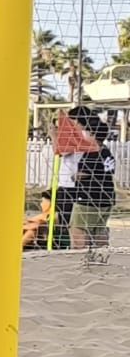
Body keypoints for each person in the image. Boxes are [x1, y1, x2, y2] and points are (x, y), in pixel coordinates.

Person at [67, 105, 117, 251]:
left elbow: (82, 175)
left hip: (89, 198)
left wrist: (73, 176)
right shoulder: (106, 151)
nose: (83, 135)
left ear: (93, 134)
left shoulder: (92, 153)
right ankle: (101, 255)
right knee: (98, 229)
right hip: (107, 197)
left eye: (86, 132)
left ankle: (82, 257)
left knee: (78, 229)